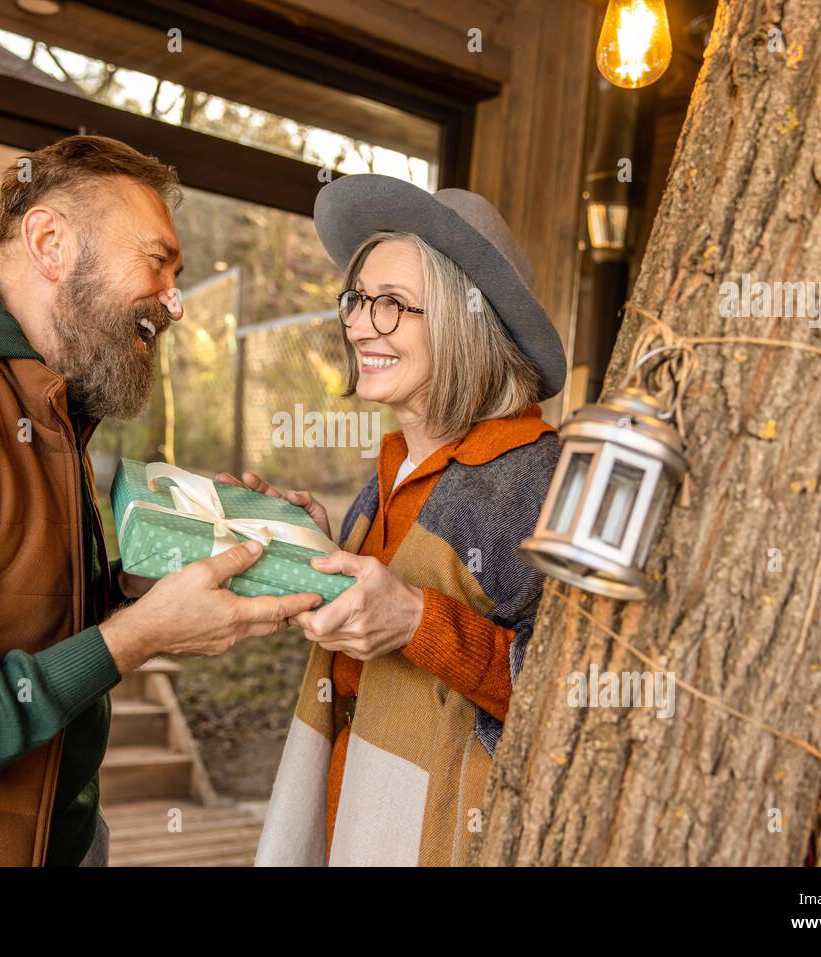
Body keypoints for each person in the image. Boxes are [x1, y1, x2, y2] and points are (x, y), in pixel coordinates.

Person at [0, 135, 321, 867]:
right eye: (158, 261)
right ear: (50, 241)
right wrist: (137, 637)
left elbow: (23, 618)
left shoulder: (47, 403)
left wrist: (136, 589)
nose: (176, 302)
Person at [242, 174, 566, 866]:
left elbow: (569, 699)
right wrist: (313, 548)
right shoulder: (394, 464)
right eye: (358, 299)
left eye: (391, 304)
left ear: (464, 318)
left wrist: (421, 623)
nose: (359, 324)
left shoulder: (536, 475)